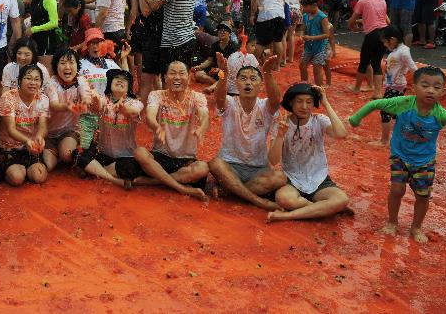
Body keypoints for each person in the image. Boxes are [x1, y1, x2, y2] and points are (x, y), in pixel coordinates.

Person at [348, 66, 446, 243]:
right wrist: (355, 119)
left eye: (436, 87)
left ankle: (416, 227)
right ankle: (392, 221)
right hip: (400, 156)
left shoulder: (441, 115)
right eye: (425, 85)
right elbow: (375, 103)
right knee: (397, 190)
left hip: (425, 161)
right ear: (413, 87)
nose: (430, 90)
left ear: (443, 91)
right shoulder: (403, 104)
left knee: (422, 195)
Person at [208, 53, 286, 211]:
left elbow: (276, 101)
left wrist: (268, 73)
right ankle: (259, 201)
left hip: (258, 168)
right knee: (215, 164)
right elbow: (219, 99)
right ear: (236, 84)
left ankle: (229, 192)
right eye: (243, 78)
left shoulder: (265, 106)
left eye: (253, 78)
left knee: (280, 177)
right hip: (230, 165)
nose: (248, 82)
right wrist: (223, 75)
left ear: (261, 85)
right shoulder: (230, 103)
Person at [266, 83, 350, 222]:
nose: (304, 106)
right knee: (284, 199)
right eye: (299, 101)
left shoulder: (319, 120)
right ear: (291, 102)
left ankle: (287, 216)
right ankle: (323, 209)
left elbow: (341, 133)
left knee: (342, 199)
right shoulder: (282, 123)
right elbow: (273, 160)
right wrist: (281, 135)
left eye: (309, 102)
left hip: (318, 178)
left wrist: (326, 103)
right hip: (292, 178)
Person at [133, 61, 210, 200]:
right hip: (160, 155)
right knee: (140, 153)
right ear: (165, 77)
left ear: (189, 77)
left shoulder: (197, 97)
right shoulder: (156, 95)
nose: (177, 77)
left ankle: (155, 181)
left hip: (185, 159)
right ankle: (180, 187)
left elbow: (205, 115)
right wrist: (157, 126)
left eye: (182, 73)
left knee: (202, 168)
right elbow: (150, 115)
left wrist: (202, 127)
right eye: (172, 73)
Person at [71, 69, 140, 188]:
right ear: (110, 84)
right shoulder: (105, 99)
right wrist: (96, 98)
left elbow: (133, 111)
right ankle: (115, 180)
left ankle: (93, 170)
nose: (120, 80)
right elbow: (97, 105)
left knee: (132, 167)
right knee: (77, 154)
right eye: (116, 78)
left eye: (124, 79)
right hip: (102, 154)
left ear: (129, 87)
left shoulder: (135, 103)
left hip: (125, 157)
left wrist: (122, 108)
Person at [132, 0, 197, 70]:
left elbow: (153, 6)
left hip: (173, 41)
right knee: (183, 76)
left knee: (170, 78)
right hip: (189, 38)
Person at [0, 64, 51, 186]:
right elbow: (11, 129)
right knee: (17, 178)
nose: (33, 82)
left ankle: (26, 168)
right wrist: (27, 141)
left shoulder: (43, 99)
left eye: (37, 79)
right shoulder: (8, 98)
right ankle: (10, 170)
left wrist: (39, 137)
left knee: (40, 176)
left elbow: (43, 126)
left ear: (41, 83)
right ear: (19, 80)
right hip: (9, 146)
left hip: (31, 147)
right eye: (28, 78)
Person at [128, 0, 163, 103]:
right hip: (148, 34)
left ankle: (146, 105)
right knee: (153, 75)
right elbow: (135, 11)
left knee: (149, 75)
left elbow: (146, 11)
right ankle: (157, 103)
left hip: (156, 36)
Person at [348, 0, 389, 98]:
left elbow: (352, 21)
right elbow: (387, 20)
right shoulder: (382, 1)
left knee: (364, 62)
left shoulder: (363, 1)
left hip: (372, 34)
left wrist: (354, 27)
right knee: (376, 62)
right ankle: (377, 92)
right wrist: (364, 22)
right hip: (384, 33)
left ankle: (356, 88)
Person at [250, 0, 286, 66]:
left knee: (260, 42)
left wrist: (252, 14)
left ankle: (253, 65)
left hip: (266, 14)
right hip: (280, 13)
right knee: (278, 41)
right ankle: (277, 66)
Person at [25, 0, 58, 68]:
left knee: (44, 67)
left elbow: (54, 23)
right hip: (36, 38)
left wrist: (33, 29)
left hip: (46, 38)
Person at [299, 0, 334, 87]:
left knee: (317, 70)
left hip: (319, 48)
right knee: (302, 65)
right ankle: (304, 85)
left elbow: (327, 34)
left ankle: (319, 91)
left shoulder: (322, 17)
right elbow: (303, 27)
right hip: (308, 47)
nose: (304, 9)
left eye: (306, 6)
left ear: (314, 5)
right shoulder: (306, 15)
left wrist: (310, 38)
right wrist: (302, 34)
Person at [193, 20, 237, 87]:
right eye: (220, 30)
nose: (222, 32)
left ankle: (217, 84)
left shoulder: (234, 46)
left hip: (227, 71)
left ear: (229, 33)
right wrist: (200, 66)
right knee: (198, 75)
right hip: (215, 70)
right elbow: (209, 60)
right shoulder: (215, 45)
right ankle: (216, 83)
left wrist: (220, 69)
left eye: (225, 30)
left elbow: (233, 65)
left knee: (225, 75)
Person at [281, 0, 303, 65]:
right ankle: (291, 58)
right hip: (297, 10)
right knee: (292, 34)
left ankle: (283, 59)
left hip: (287, 10)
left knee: (283, 36)